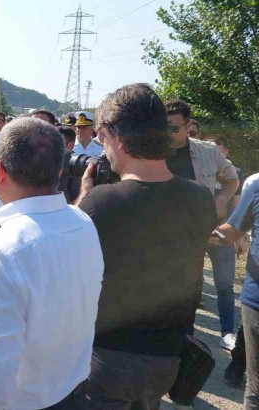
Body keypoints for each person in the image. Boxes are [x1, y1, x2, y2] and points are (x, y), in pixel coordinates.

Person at [75, 83, 216, 409]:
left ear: (117, 136)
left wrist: (84, 195)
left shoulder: (100, 203)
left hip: (108, 360)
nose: (99, 143)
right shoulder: (201, 199)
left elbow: (66, 263)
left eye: (101, 135)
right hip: (167, 360)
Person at [0, 118, 103, 410]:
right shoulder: (82, 222)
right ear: (59, 170)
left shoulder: (3, 250)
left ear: (1, 171)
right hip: (73, 392)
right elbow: (32, 210)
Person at [165, 99, 239, 350]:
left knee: (224, 283)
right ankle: (187, 338)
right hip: (180, 236)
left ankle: (228, 332)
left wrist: (222, 198)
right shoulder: (154, 154)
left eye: (174, 128)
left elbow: (232, 180)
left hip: (215, 229)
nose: (169, 133)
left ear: (188, 126)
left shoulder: (208, 152)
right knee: (189, 288)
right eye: (164, 127)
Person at [212, 174, 259, 408]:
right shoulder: (257, 185)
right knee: (256, 387)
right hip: (257, 302)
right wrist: (196, 237)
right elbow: (232, 231)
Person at [201, 135, 245, 350]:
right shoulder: (197, 171)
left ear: (226, 152)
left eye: (218, 151)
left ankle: (227, 332)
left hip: (222, 237)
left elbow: (238, 207)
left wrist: (240, 237)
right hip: (196, 234)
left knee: (225, 285)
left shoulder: (235, 174)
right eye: (210, 151)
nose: (214, 156)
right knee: (188, 282)